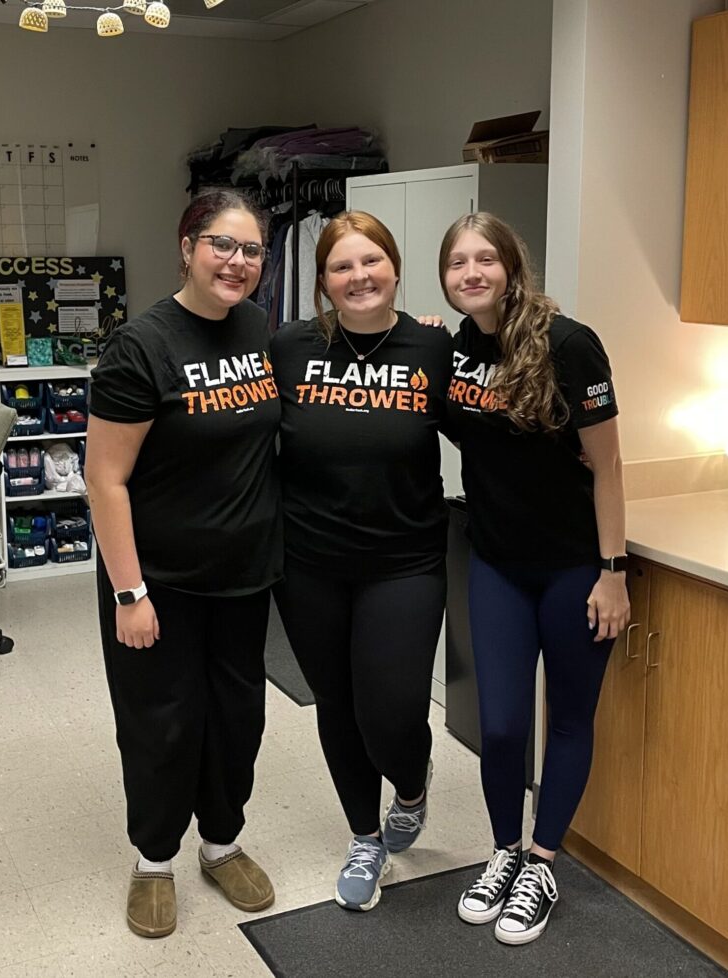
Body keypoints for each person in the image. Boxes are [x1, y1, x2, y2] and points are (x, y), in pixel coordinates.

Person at [85, 190, 281, 938]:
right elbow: (105, 478)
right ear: (187, 246)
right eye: (222, 246)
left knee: (238, 720)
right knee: (161, 723)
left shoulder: (260, 328)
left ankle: (221, 843)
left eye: (252, 250)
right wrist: (129, 590)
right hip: (156, 580)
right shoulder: (142, 346)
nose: (237, 262)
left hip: (243, 576)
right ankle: (155, 858)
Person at [440, 213, 630, 945]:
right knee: (502, 723)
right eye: (458, 263)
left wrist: (612, 572)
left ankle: (543, 863)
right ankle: (503, 853)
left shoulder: (569, 344)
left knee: (570, 719)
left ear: (514, 266)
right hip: (495, 562)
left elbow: (608, 465)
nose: (472, 272)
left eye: (486, 258)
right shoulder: (458, 347)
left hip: (574, 566)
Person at [270, 211, 454, 912]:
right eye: (341, 267)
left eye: (371, 260)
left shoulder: (434, 348)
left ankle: (411, 784)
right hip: (309, 562)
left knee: (394, 709)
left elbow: (497, 417)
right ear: (321, 282)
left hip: (405, 561)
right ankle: (363, 837)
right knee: (338, 706)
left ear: (395, 266)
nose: (359, 276)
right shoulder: (288, 347)